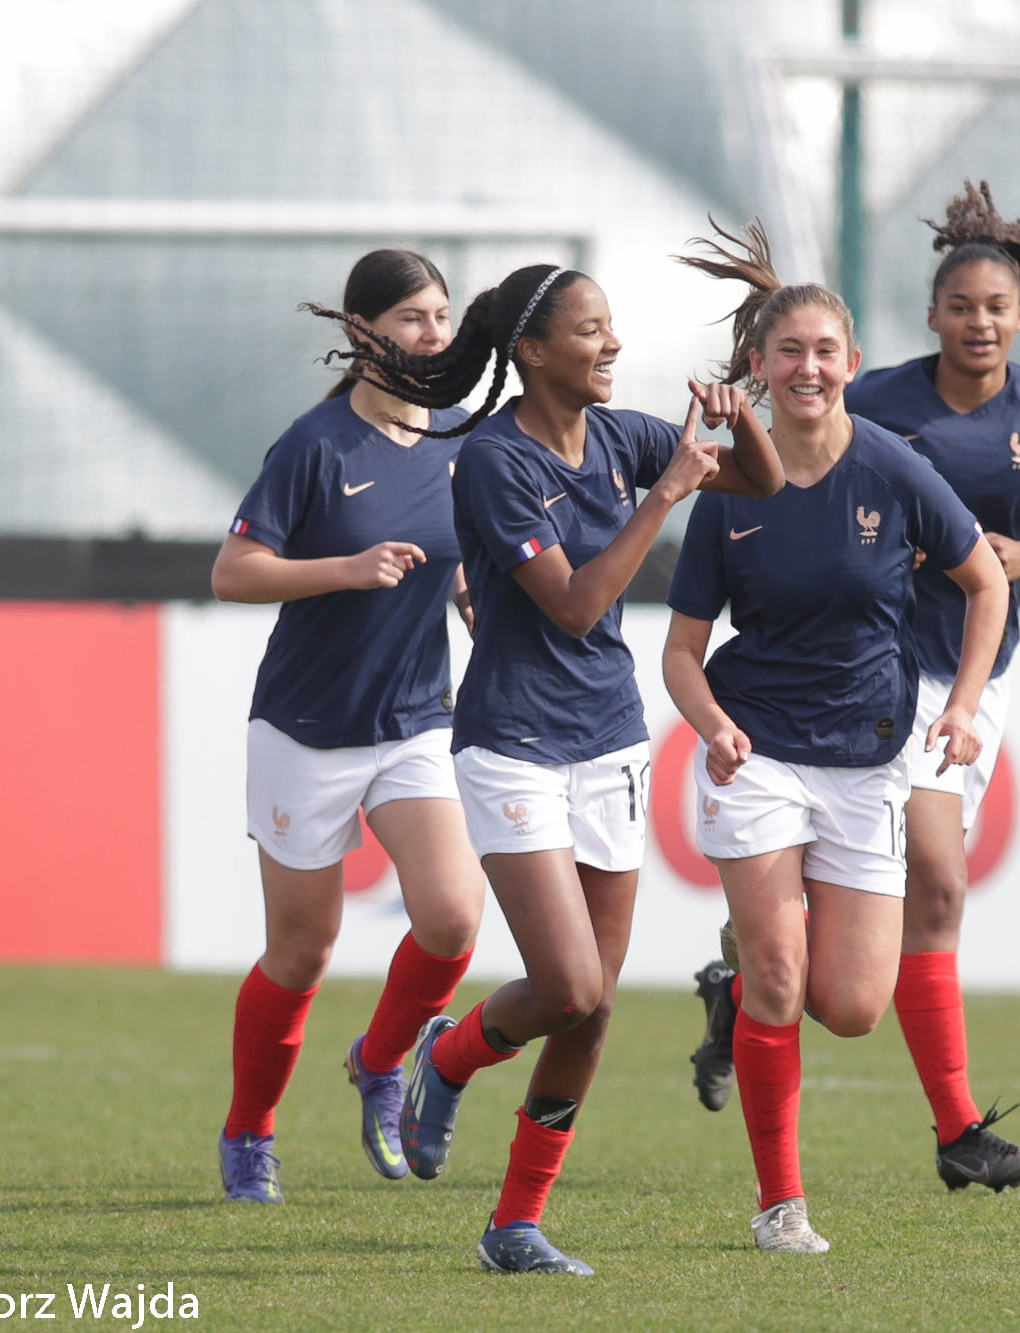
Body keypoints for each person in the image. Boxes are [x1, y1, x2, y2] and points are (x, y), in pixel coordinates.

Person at [685, 182, 1020, 1194]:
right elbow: (780, 456)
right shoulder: (875, 401)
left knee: (911, 916)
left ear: (1019, 316)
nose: (978, 322)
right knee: (931, 877)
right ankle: (950, 1124)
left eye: (995, 308)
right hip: (876, 672)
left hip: (971, 674)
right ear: (930, 316)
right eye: (960, 306)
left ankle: (755, 989)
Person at [333, 261, 782, 1275]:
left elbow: (762, 480)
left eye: (612, 326)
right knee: (569, 982)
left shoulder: (619, 434)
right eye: (590, 330)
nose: (612, 344)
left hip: (609, 739)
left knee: (597, 1001)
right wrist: (666, 492)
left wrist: (733, 414)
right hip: (513, 745)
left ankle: (513, 1224)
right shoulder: (493, 461)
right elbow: (576, 605)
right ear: (532, 351)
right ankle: (447, 1054)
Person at [665, 220, 1010, 1252]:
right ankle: (780, 1206)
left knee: (852, 1006)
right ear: (760, 370)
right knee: (781, 975)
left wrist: (958, 707)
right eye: (788, 352)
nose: (807, 367)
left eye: (824, 351)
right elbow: (680, 653)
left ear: (851, 365)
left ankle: (731, 992)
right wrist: (714, 725)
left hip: (869, 755)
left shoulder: (896, 470)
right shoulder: (725, 496)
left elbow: (984, 582)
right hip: (758, 752)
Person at [210, 248, 488, 1204]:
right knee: (302, 953)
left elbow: (458, 556)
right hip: (304, 726)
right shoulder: (314, 444)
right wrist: (345, 567)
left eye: (442, 316)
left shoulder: (462, 435)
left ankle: (379, 1062)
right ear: (362, 332)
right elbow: (233, 572)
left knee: (453, 916)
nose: (434, 335)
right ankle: (250, 1132)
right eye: (413, 317)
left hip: (414, 721)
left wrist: (467, 595)